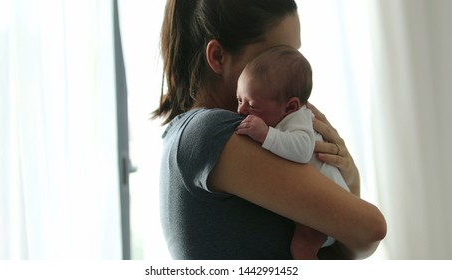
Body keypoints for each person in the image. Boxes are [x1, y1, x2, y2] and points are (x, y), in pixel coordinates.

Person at [153, 0, 386, 260]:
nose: (289, 77)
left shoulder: (193, 137)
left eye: (293, 56)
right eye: (276, 56)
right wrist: (351, 191)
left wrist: (348, 181)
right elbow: (370, 228)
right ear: (218, 57)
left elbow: (348, 250)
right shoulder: (211, 133)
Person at [235, 45, 350, 259]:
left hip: (329, 207)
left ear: (290, 107)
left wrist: (266, 135)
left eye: (252, 105)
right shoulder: (282, 116)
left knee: (302, 249)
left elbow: (303, 151)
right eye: (239, 99)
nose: (241, 110)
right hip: (319, 205)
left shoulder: (299, 119)